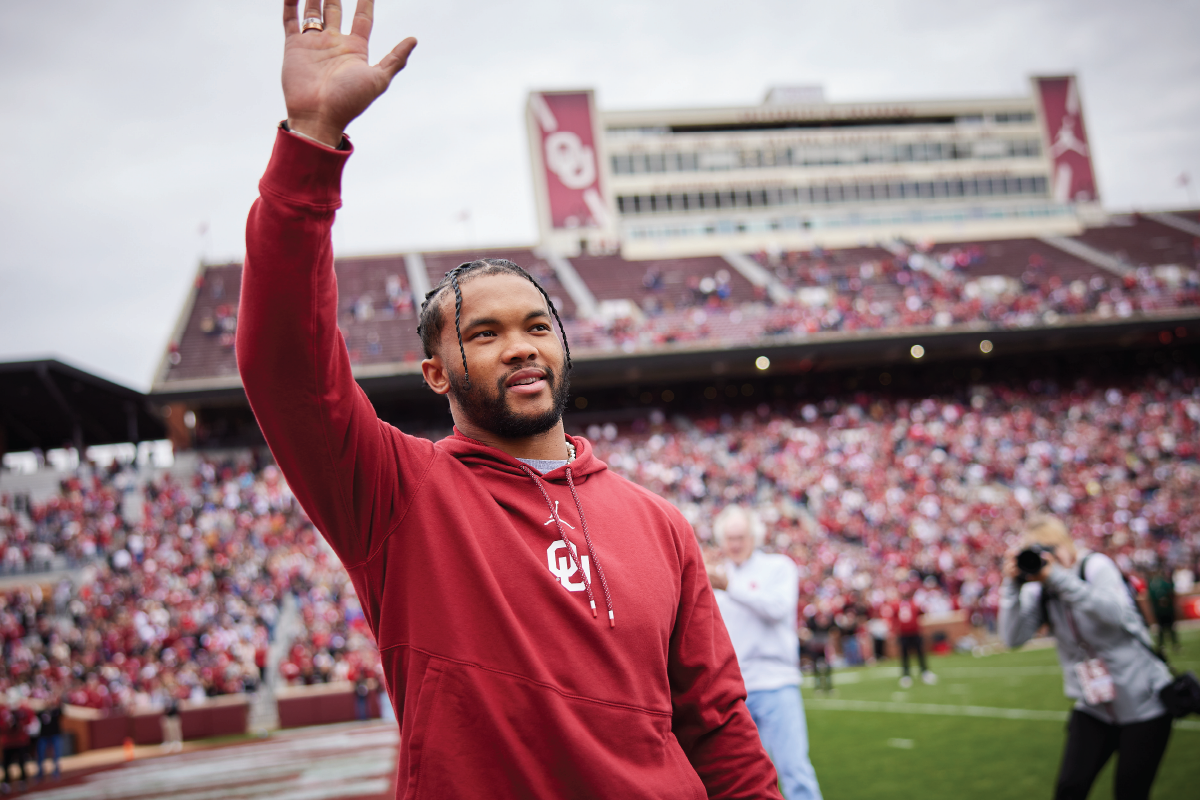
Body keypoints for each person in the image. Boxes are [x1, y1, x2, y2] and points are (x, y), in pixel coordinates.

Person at [234, 2, 782, 797]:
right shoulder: (395, 496)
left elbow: (718, 726)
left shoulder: (661, 525)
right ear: (435, 373)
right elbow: (286, 367)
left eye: (536, 325)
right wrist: (313, 143)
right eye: (484, 333)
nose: (520, 344)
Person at [1000, 516, 1174, 800]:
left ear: (1064, 544)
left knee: (1131, 792)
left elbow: (1114, 613)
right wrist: (1011, 586)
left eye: (1049, 548)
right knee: (1069, 789)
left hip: (1144, 702)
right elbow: (1011, 638)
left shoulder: (1095, 567)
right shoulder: (1042, 589)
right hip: (1094, 705)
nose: (1044, 559)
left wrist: (1058, 578)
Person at [707, 506, 823, 800]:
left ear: (754, 537)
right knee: (745, 777)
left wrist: (729, 586)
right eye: (729, 538)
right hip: (736, 689)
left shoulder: (778, 567)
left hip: (776, 682)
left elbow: (777, 609)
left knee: (794, 768)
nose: (734, 544)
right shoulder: (717, 575)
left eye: (740, 537)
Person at [893, 587, 936, 688]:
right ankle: (906, 675)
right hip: (903, 634)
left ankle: (924, 671)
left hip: (915, 632)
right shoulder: (897, 605)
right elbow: (894, 619)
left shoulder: (914, 604)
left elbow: (922, 612)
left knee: (920, 653)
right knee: (904, 655)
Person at [1147, 568, 1178, 653]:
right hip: (1162, 610)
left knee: (1168, 628)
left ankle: (1170, 644)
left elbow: (1171, 593)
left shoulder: (1160, 583)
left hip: (1165, 610)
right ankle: (1165, 645)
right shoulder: (1153, 584)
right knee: (1164, 629)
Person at [34, 697, 62, 782]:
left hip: (55, 734)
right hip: (43, 735)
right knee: (40, 755)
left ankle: (56, 771)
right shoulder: (41, 712)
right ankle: (40, 772)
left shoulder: (55, 711)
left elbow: (61, 710)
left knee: (56, 754)